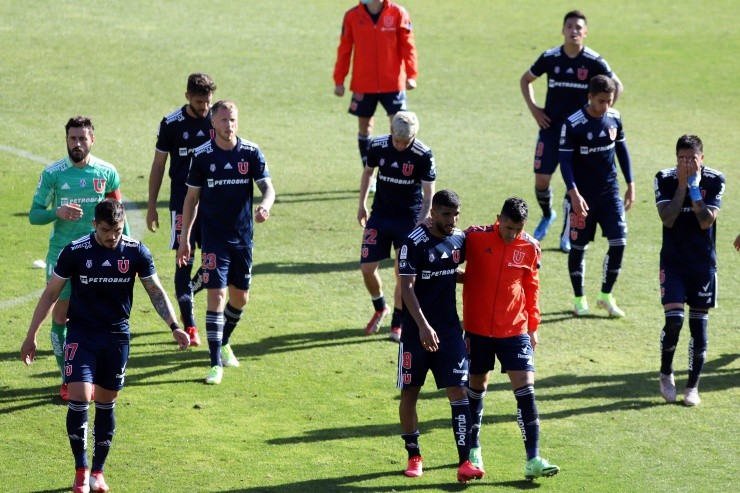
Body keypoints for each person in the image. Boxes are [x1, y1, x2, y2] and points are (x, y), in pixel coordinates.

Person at [21, 199, 190, 493]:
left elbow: (155, 291)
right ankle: (81, 470)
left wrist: (174, 326)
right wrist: (31, 334)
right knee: (80, 396)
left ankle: (98, 472)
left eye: (117, 230)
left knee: (105, 402)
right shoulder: (75, 251)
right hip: (82, 334)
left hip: (116, 337)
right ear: (94, 225)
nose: (112, 237)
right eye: (106, 230)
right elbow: (51, 293)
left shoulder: (136, 251)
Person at [29, 116, 128, 401]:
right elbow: (35, 215)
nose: (77, 144)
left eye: (82, 138)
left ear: (92, 140)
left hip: (98, 257)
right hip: (62, 255)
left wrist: (127, 249)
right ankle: (67, 378)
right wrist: (56, 212)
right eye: (72, 138)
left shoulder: (106, 172)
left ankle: (92, 372)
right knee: (61, 316)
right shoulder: (53, 174)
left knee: (95, 315)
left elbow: (118, 214)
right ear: (66, 140)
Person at [177, 100, 276, 385]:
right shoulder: (202, 156)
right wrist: (185, 238)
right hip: (214, 240)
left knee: (240, 298)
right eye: (223, 120)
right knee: (216, 296)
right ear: (213, 123)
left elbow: (268, 187)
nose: (228, 125)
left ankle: (223, 342)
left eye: (232, 119)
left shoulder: (251, 152)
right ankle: (214, 364)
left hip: (243, 239)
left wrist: (265, 205)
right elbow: (191, 200)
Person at [462, 197, 560, 481]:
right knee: (476, 390)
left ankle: (533, 459)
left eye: (518, 229)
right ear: (498, 219)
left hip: (515, 330)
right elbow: (444, 252)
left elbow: (532, 286)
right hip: (478, 330)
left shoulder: (530, 246)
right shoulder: (475, 238)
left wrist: (533, 326)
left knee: (527, 392)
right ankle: (473, 451)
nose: (512, 234)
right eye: (508, 228)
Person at [396, 189, 484, 483]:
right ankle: (414, 455)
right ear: (432, 213)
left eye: (456, 214)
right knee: (410, 392)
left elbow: (448, 267)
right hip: (416, 331)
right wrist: (423, 326)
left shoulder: (459, 238)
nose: (452, 220)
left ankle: (465, 462)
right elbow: (407, 287)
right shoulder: (413, 242)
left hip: (449, 330)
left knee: (459, 391)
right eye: (446, 214)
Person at [520, 10, 623, 253]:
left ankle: (567, 233)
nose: (574, 31)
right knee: (541, 181)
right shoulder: (550, 57)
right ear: (563, 30)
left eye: (578, 27)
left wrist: (602, 114)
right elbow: (525, 80)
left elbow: (617, 85)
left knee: (573, 184)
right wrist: (535, 110)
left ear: (585, 32)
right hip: (551, 129)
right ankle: (548, 214)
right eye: (570, 26)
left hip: (579, 136)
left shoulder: (593, 61)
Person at [147, 73, 218, 347]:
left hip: (212, 204)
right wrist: (151, 206)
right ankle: (190, 325)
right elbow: (158, 165)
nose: (204, 107)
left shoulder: (218, 119)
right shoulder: (171, 124)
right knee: (183, 262)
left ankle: (187, 292)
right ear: (187, 96)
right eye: (199, 102)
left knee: (214, 265)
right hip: (181, 204)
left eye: (208, 101)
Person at [654, 135, 725, 406]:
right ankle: (666, 373)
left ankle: (692, 387)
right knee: (674, 320)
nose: (686, 164)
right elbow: (668, 219)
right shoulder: (664, 178)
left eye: (692, 159)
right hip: (673, 263)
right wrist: (682, 186)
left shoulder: (715, 180)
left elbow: (706, 222)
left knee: (698, 326)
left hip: (702, 264)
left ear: (702, 159)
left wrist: (695, 189)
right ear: (676, 159)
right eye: (682, 159)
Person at [559, 75, 635, 317]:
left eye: (609, 101)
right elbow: (564, 162)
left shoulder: (614, 117)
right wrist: (573, 194)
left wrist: (630, 183)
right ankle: (579, 298)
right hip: (582, 197)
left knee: (619, 241)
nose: (606, 106)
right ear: (590, 96)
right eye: (601, 101)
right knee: (578, 247)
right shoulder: (573, 123)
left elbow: (621, 149)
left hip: (610, 193)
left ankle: (605, 296)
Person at [358, 111, 435, 342]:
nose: (401, 146)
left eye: (406, 142)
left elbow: (429, 194)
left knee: (403, 274)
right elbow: (368, 172)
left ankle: (397, 323)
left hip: (408, 219)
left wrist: (422, 219)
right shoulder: (378, 145)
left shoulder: (423, 154)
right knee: (367, 268)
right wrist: (362, 204)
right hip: (380, 215)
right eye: (398, 141)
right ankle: (380, 306)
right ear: (391, 130)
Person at [333, 0, 418, 181]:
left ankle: (400, 174)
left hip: (393, 83)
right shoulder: (352, 16)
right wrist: (339, 79)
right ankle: (369, 175)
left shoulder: (398, 13)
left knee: (400, 127)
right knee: (365, 128)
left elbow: (408, 45)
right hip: (363, 83)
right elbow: (345, 48)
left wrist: (412, 75)